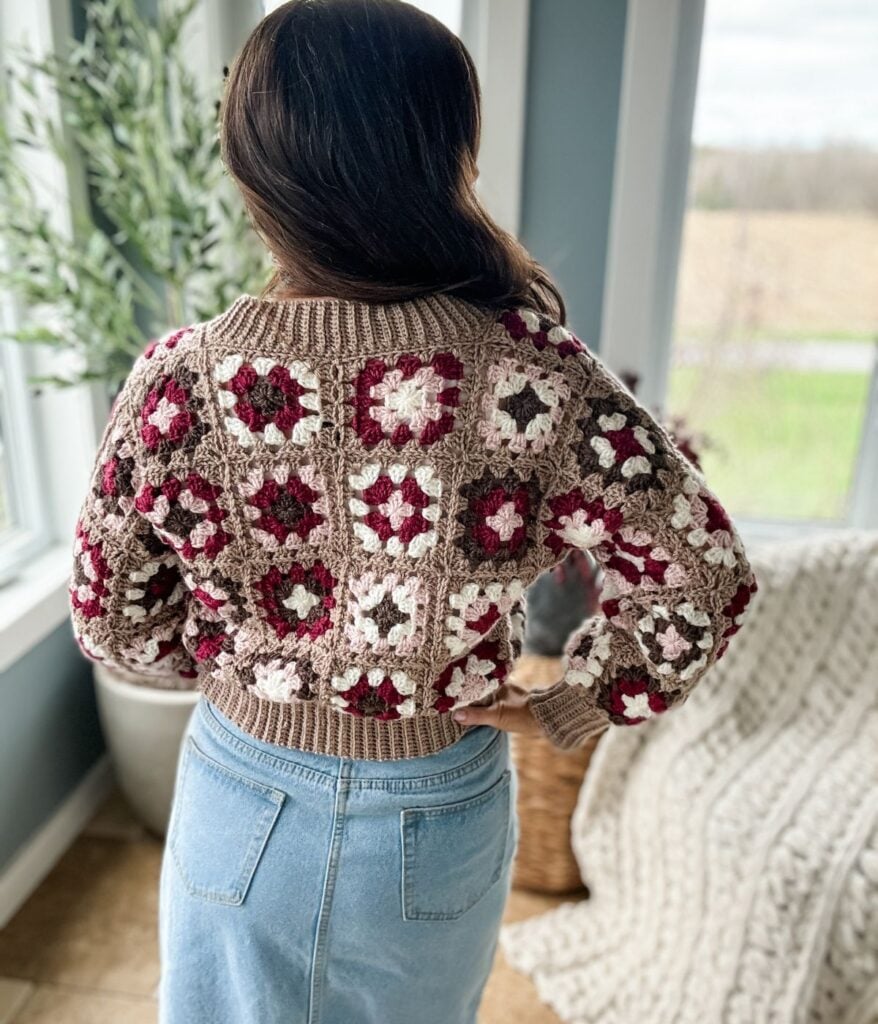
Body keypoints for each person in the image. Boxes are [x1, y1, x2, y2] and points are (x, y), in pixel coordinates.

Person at [66, 2, 757, 1021]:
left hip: (239, 794)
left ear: (254, 171)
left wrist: (239, 664)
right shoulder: (533, 374)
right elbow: (703, 574)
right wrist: (573, 699)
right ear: (451, 157)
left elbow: (108, 616)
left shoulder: (185, 382)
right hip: (437, 807)